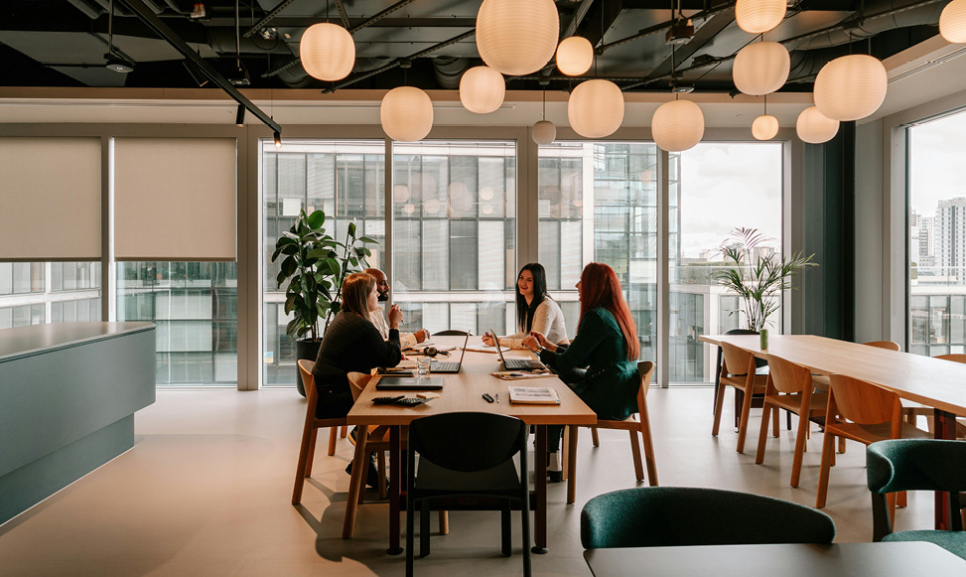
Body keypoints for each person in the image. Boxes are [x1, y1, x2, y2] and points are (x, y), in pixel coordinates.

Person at [523, 262, 641, 482]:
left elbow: (567, 364)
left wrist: (538, 350)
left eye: (582, 281)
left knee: (552, 393)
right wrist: (549, 346)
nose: (577, 285)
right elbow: (582, 358)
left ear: (594, 286)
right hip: (619, 392)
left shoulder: (595, 317)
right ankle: (549, 450)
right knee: (555, 379)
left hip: (608, 398)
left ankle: (550, 457)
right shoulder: (613, 314)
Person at [313, 272, 403, 486]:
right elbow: (391, 358)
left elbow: (377, 354)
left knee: (388, 394)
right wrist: (394, 325)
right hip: (334, 400)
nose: (378, 295)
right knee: (395, 402)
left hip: (329, 393)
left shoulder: (346, 318)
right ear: (364, 297)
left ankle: (363, 460)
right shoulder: (360, 325)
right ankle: (367, 457)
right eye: (374, 292)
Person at [482, 263, 568, 350]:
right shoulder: (528, 304)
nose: (523, 282)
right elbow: (521, 336)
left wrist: (499, 342)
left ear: (538, 283)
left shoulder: (545, 307)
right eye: (521, 278)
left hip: (557, 356)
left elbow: (534, 343)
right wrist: (497, 340)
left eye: (529, 280)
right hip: (542, 353)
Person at [364, 268, 430, 350]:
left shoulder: (376, 310)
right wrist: (414, 338)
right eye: (382, 283)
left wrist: (416, 335)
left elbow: (388, 337)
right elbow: (385, 346)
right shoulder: (364, 316)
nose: (388, 287)